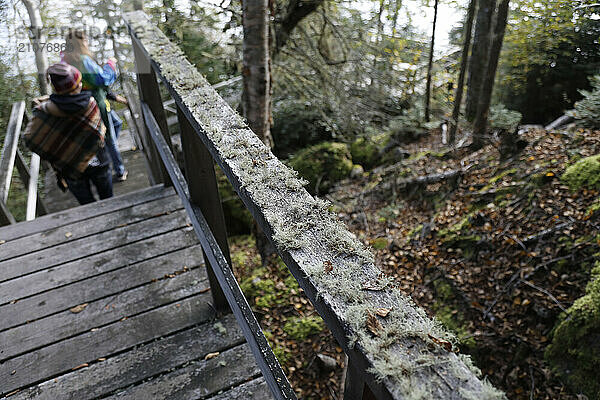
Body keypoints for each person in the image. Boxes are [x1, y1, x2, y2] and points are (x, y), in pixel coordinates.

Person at [29, 63, 113, 204]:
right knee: (109, 202)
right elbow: (99, 132)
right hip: (99, 161)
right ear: (76, 86)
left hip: (69, 168)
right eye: (78, 82)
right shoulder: (90, 103)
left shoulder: (43, 111)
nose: (81, 84)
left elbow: (30, 138)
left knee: (87, 207)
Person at [62, 28, 128, 181]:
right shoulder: (83, 61)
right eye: (85, 40)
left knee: (116, 124)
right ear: (80, 43)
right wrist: (110, 64)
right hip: (96, 103)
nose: (87, 42)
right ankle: (119, 170)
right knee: (110, 137)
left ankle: (106, 150)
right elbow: (103, 79)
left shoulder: (67, 61)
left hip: (83, 102)